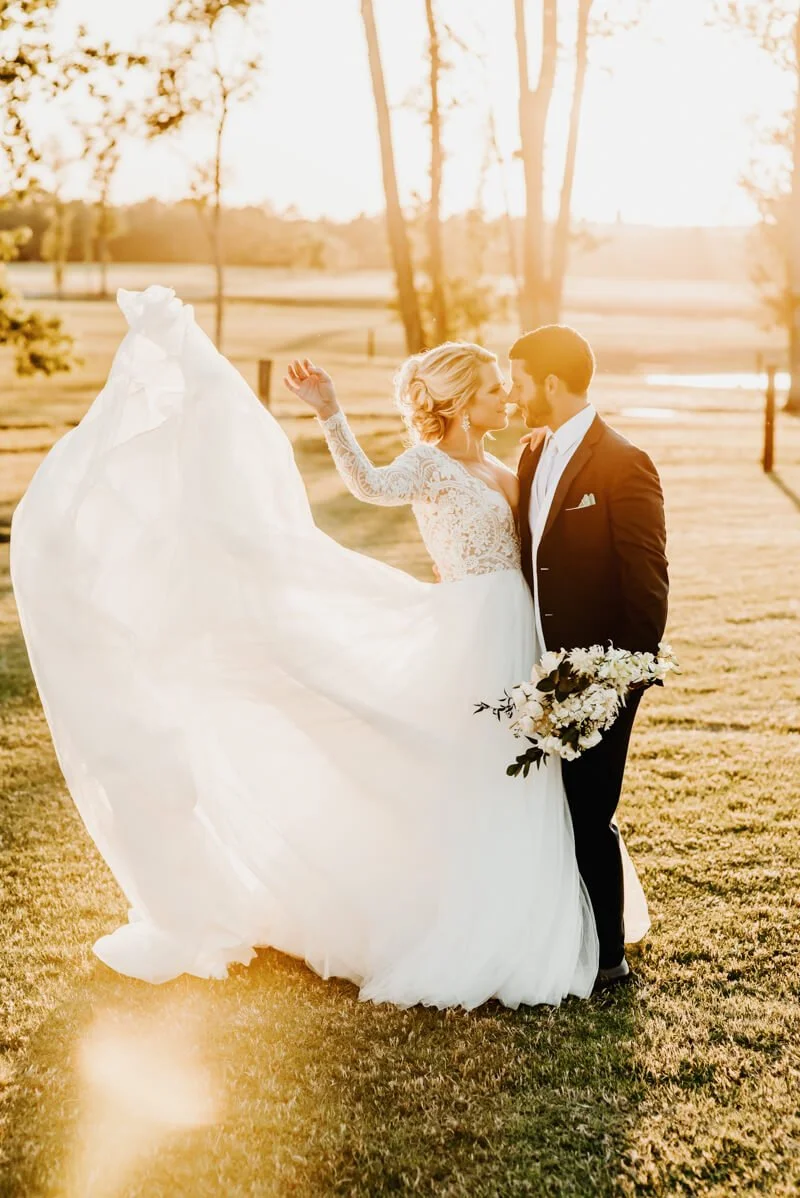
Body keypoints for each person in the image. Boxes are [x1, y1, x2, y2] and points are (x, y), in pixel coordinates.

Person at [10, 286, 646, 1006]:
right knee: (468, 772)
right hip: (468, 632)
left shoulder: (516, 467)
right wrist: (331, 413)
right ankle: (462, 918)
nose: (508, 399)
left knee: (528, 778)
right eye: (497, 390)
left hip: (521, 629)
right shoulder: (427, 464)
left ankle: (553, 915)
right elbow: (369, 485)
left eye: (509, 387)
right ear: (466, 400)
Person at [509, 325, 669, 981]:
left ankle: (607, 960)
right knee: (551, 807)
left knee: (588, 811)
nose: (513, 394)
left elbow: (648, 581)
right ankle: (560, 937)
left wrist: (621, 677)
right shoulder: (531, 453)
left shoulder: (624, 463)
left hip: (601, 673)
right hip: (538, 668)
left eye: (518, 382)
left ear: (550, 383)